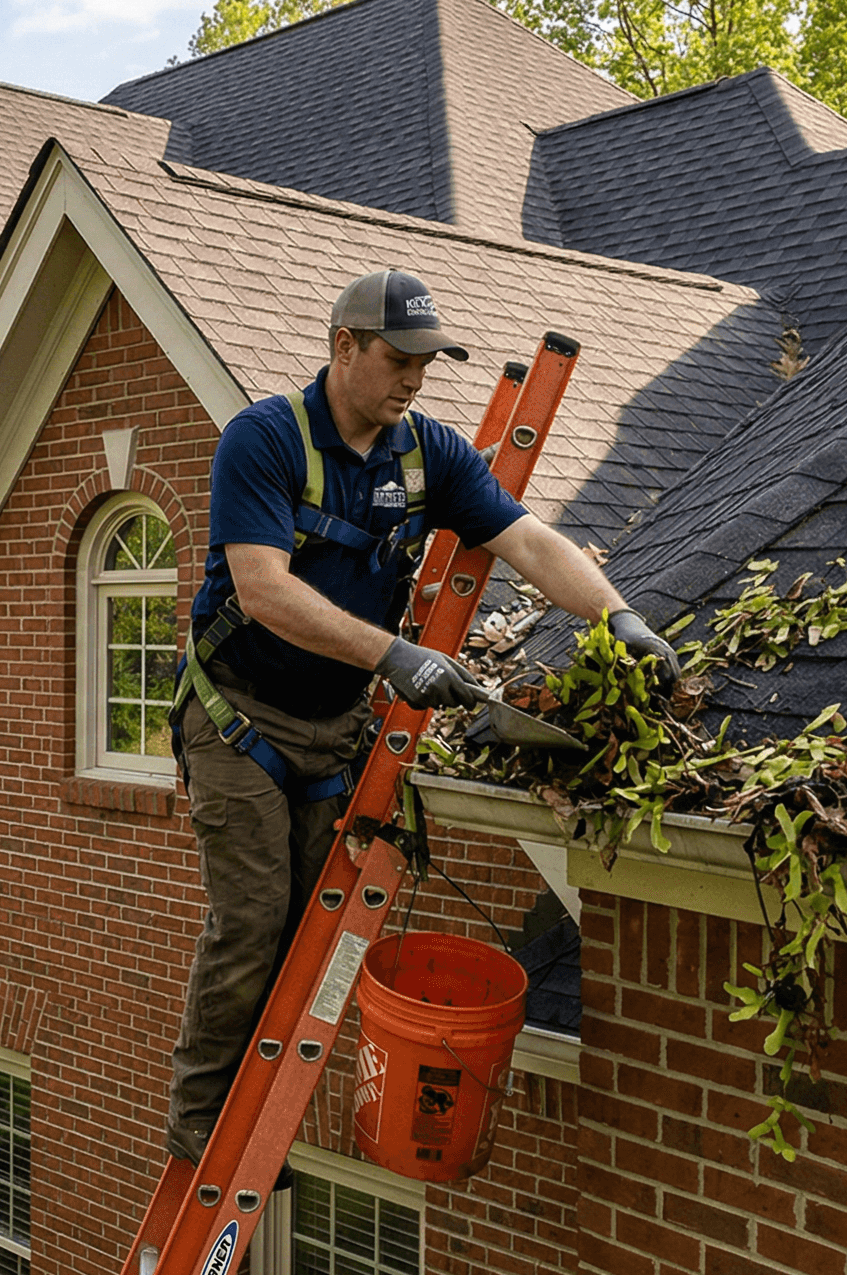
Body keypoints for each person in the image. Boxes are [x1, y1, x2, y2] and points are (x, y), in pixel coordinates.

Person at [164, 267, 678, 1164]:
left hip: (331, 726)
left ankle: (263, 1118)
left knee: (307, 933)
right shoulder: (266, 440)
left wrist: (619, 617)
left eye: (427, 363)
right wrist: (393, 657)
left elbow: (527, 540)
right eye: (398, 359)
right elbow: (263, 591)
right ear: (344, 346)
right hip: (239, 718)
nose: (414, 378)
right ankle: (203, 1123)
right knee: (252, 923)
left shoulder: (425, 453)